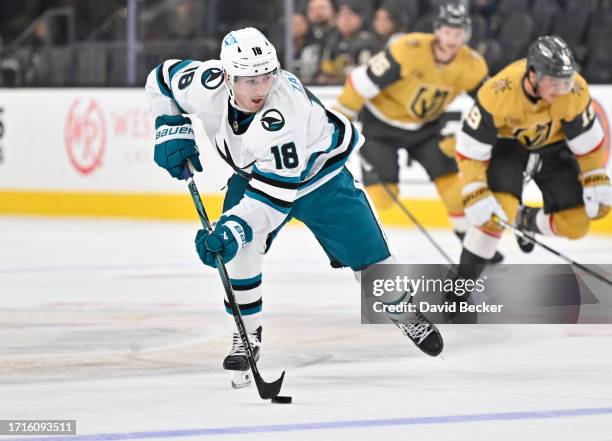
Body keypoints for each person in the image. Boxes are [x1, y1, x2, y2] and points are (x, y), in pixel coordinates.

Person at [145, 27, 444, 387]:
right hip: (256, 174)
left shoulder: (282, 114)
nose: (260, 90)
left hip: (321, 178)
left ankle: (402, 309)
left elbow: (274, 200)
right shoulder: (205, 84)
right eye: (249, 80)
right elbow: (161, 78)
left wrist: (232, 228)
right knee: (239, 253)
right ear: (226, 77)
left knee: (373, 264)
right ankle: (247, 338)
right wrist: (169, 123)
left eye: (266, 77)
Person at [332, 2, 503, 263]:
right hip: (381, 127)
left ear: (466, 35)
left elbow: (490, 105)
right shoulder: (407, 49)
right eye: (447, 31)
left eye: (459, 33)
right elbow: (362, 82)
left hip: (426, 129)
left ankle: (471, 245)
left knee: (452, 186)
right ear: (437, 30)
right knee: (383, 197)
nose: (452, 39)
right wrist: (338, 121)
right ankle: (349, 238)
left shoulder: (472, 65)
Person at [455, 35, 611, 277]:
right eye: (553, 82)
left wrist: (594, 173)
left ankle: (525, 220)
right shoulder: (497, 92)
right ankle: (457, 290)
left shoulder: (575, 90)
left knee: (577, 224)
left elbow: (587, 141)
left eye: (565, 82)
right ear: (532, 75)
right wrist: (475, 186)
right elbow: (470, 148)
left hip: (554, 150)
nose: (561, 90)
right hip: (508, 148)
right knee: (494, 217)